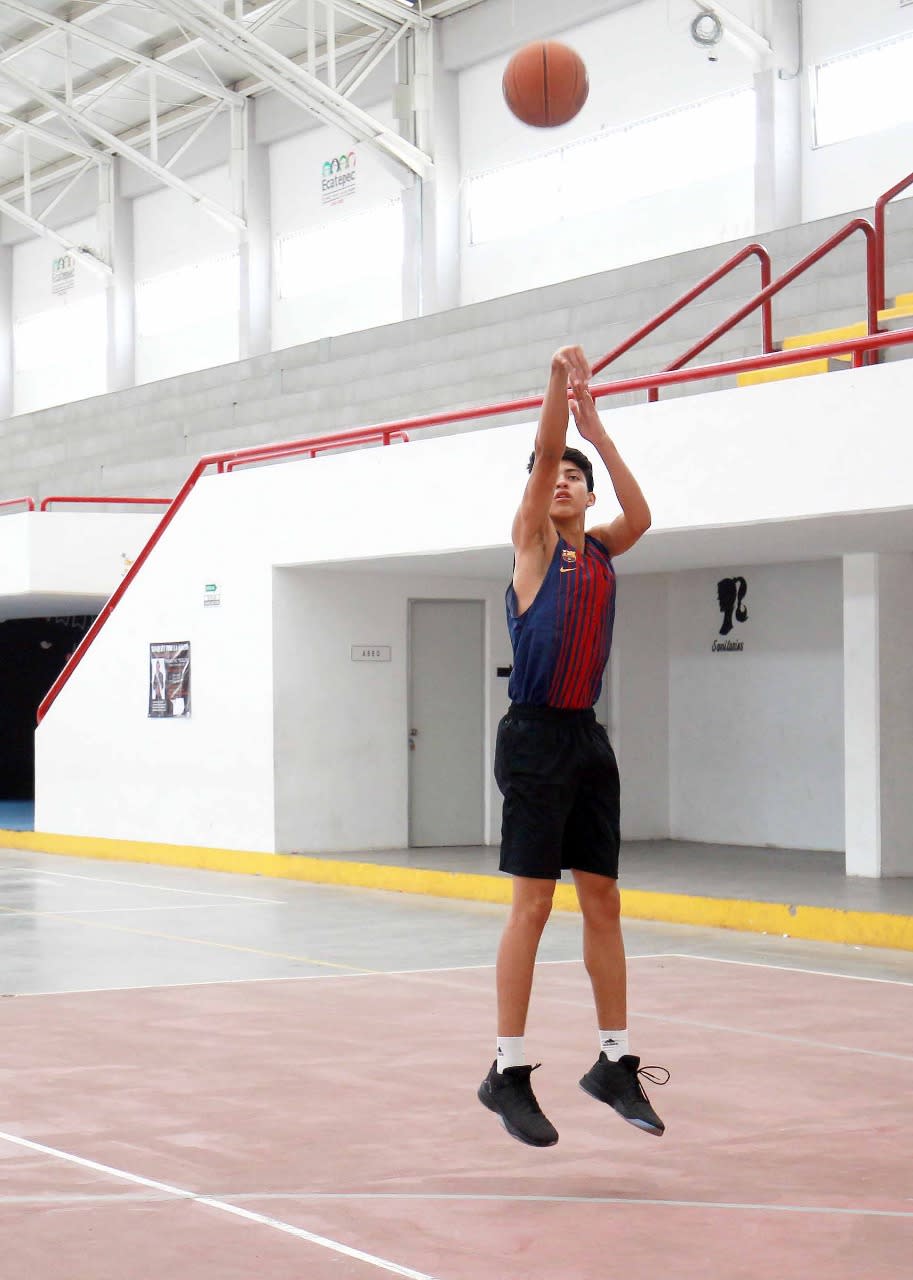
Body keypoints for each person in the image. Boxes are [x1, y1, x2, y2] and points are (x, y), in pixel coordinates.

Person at [478, 344, 668, 1148]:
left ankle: (613, 1060)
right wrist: (559, 389)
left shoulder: (601, 547)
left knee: (603, 900)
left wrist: (601, 429)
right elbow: (547, 452)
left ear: (587, 493)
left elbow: (642, 515)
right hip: (533, 736)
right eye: (549, 470)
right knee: (534, 902)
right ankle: (507, 1070)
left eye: (571, 474)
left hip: (586, 737)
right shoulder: (532, 543)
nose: (558, 479)